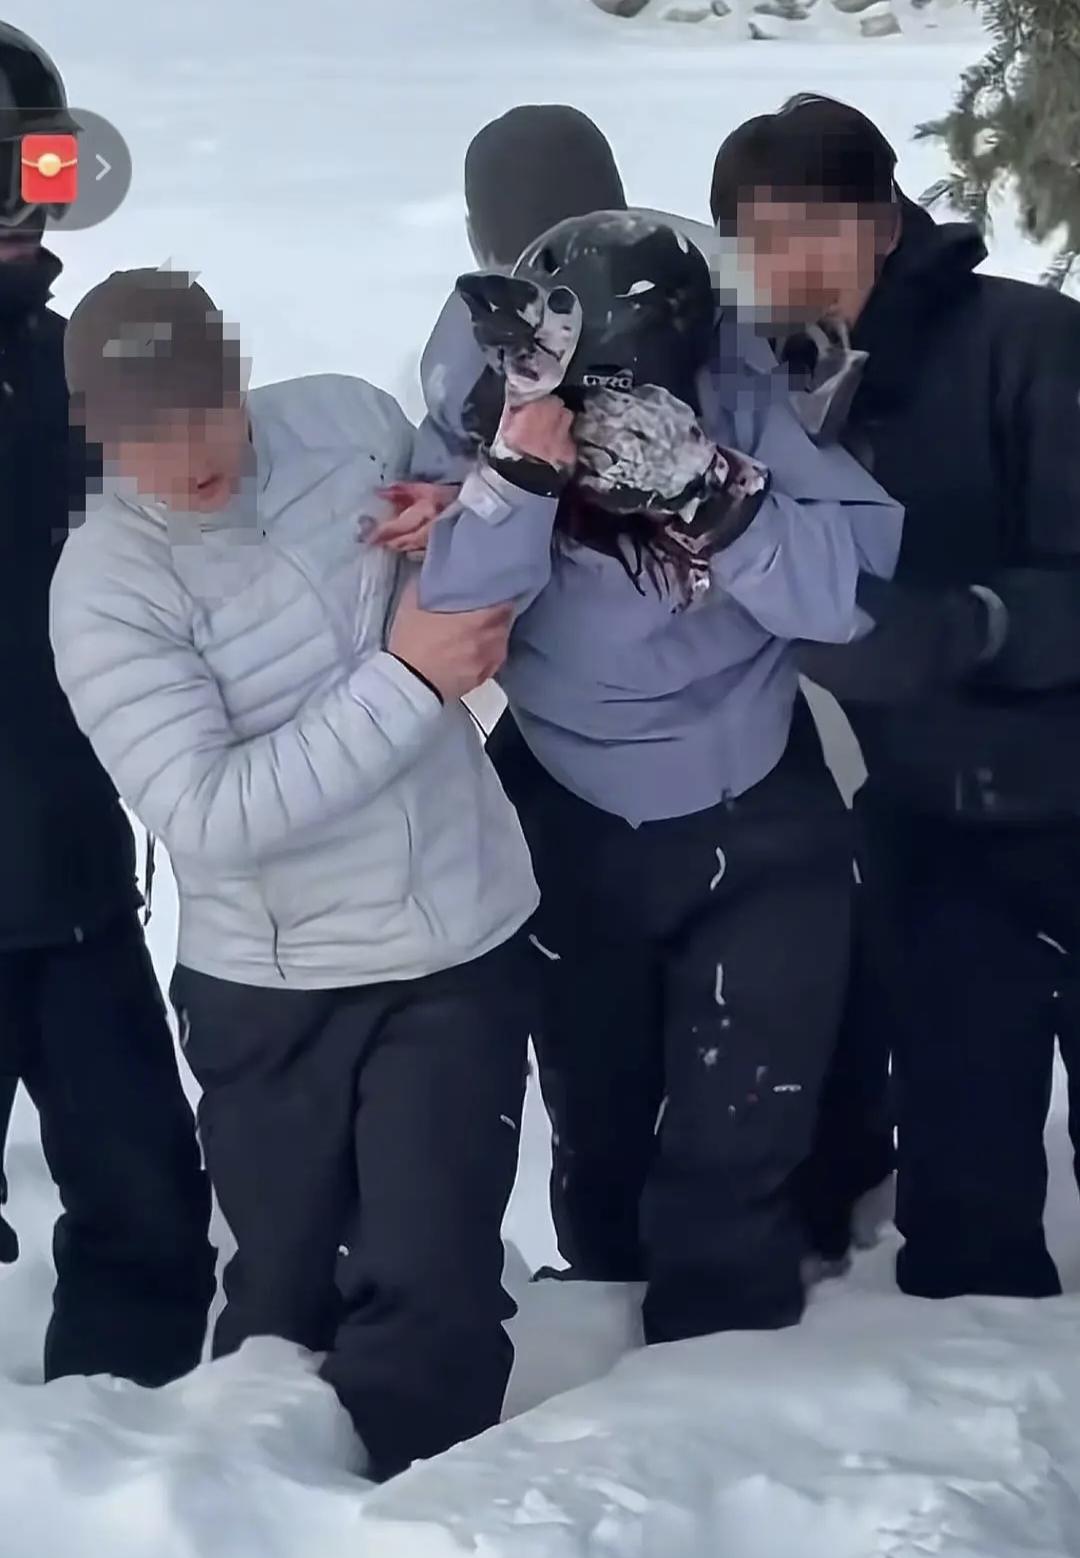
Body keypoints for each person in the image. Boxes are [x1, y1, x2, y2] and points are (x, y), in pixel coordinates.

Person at [49, 267, 539, 1478]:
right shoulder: (104, 590)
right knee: (279, 1298)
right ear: (100, 440)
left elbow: (487, 553)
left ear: (240, 376)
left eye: (202, 408)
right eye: (143, 433)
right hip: (272, 983)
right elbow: (207, 813)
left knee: (432, 1285)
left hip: (454, 940)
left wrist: (459, 519)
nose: (185, 450)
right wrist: (415, 676)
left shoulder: (353, 423)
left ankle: (423, 1535)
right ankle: (259, 1539)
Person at [380, 210, 902, 1340]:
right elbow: (459, 612)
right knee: (599, 1105)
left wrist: (718, 494)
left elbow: (857, 590)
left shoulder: (742, 392)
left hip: (756, 799)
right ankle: (603, 1321)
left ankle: (723, 1354)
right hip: (569, 803)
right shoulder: (489, 391)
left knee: (745, 1111)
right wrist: (520, 471)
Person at [710, 93, 1080, 1299]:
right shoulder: (759, 394)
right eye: (758, 240)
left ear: (883, 222)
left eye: (815, 227)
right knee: (965, 1215)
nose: (787, 266)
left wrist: (972, 626)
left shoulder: (1030, 345)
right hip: (928, 833)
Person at [0, 24, 214, 1382]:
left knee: (145, 1209)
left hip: (70, 873)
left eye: (39, 167)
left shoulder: (89, 372)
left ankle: (122, 1472)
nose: (26, 203)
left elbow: (209, 537)